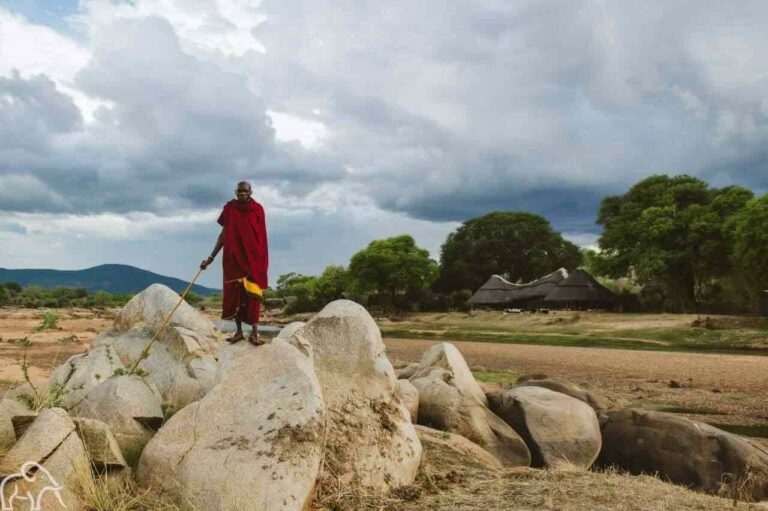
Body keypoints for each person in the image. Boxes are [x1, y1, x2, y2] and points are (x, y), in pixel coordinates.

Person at [200, 181, 269, 345]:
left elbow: (261, 236)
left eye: (245, 191)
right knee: (234, 293)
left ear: (251, 192)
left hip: (253, 260)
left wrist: (261, 260)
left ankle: (254, 334)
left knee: (253, 295)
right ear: (235, 192)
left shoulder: (258, 209)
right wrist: (211, 257)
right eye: (240, 191)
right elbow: (223, 234)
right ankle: (238, 332)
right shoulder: (230, 209)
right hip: (233, 258)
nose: (242, 194)